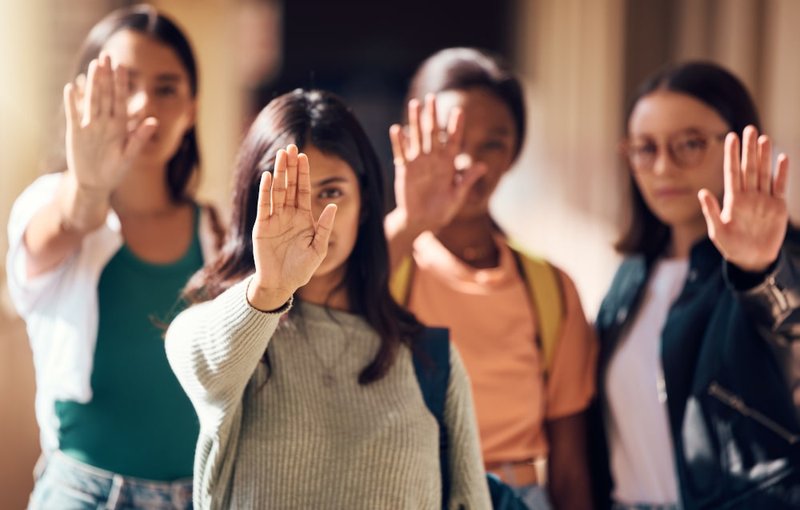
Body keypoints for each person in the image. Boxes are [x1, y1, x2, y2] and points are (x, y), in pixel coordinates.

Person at [165, 89, 491, 509]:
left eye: (332, 192)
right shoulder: (234, 335)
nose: (311, 217)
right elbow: (196, 354)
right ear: (254, 206)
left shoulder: (429, 359)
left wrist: (412, 224)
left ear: (367, 204)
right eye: (291, 193)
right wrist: (271, 288)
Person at [6, 5, 221, 508]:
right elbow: (61, 229)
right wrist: (89, 189)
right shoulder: (47, 203)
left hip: (201, 495)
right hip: (83, 494)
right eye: (124, 83)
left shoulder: (218, 229)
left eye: (167, 88)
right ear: (84, 96)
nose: (146, 104)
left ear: (191, 108)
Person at [385, 47, 597, 509]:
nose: (468, 163)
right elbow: (323, 297)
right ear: (413, 138)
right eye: (449, 140)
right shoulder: (387, 267)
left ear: (514, 153)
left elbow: (569, 463)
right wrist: (410, 220)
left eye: (492, 143)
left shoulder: (550, 289)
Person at [588, 61, 800, 510]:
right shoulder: (631, 276)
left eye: (690, 144)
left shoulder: (778, 264)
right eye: (645, 148)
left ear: (742, 145)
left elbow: (790, 336)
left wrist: (759, 271)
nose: (663, 166)